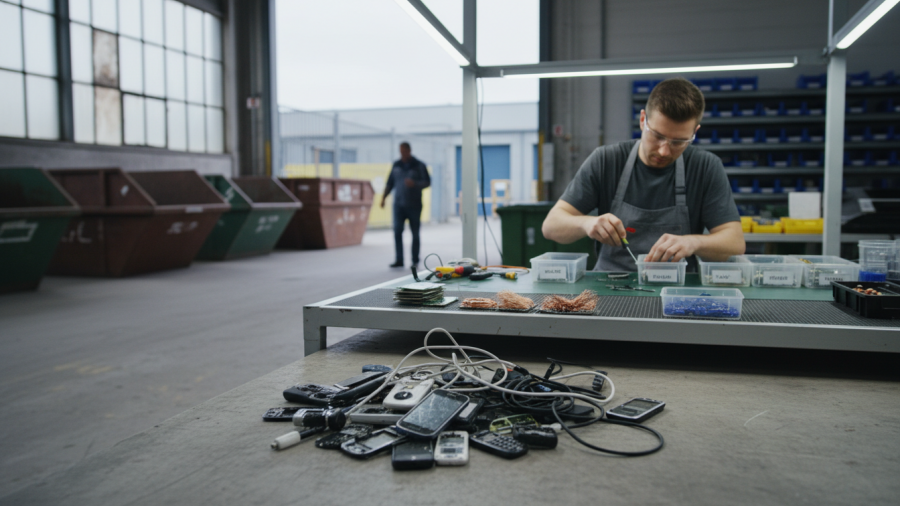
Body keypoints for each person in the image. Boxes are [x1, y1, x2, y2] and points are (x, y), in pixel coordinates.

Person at [542, 77, 744, 272]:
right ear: (642, 120)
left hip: (676, 291)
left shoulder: (705, 167)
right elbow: (551, 225)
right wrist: (587, 223)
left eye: (679, 142)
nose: (664, 151)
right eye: (657, 136)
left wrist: (694, 242)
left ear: (695, 133)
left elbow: (735, 243)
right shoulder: (607, 160)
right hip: (611, 287)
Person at [382, 142, 431, 268]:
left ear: (409, 151)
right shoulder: (396, 165)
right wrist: (383, 198)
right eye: (401, 152)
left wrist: (414, 184)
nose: (402, 154)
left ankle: (415, 260)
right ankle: (399, 260)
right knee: (397, 231)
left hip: (414, 205)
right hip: (398, 205)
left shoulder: (419, 165)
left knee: (415, 233)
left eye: (404, 151)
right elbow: (390, 183)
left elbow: (427, 182)